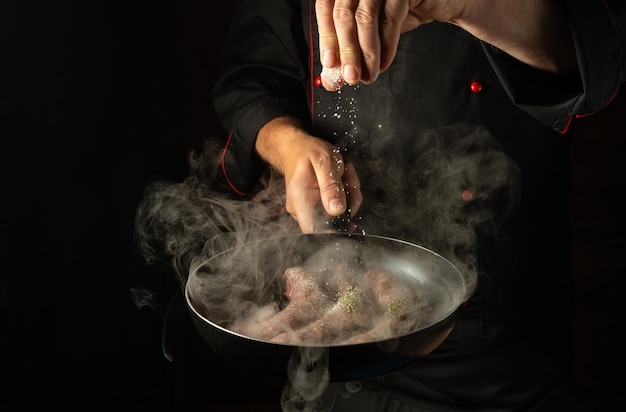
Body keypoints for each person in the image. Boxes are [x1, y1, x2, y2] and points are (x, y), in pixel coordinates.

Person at [211, 0, 625, 410]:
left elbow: (596, 52)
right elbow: (252, 76)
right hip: (334, 337)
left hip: (498, 341)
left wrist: (466, 5)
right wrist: (289, 145)